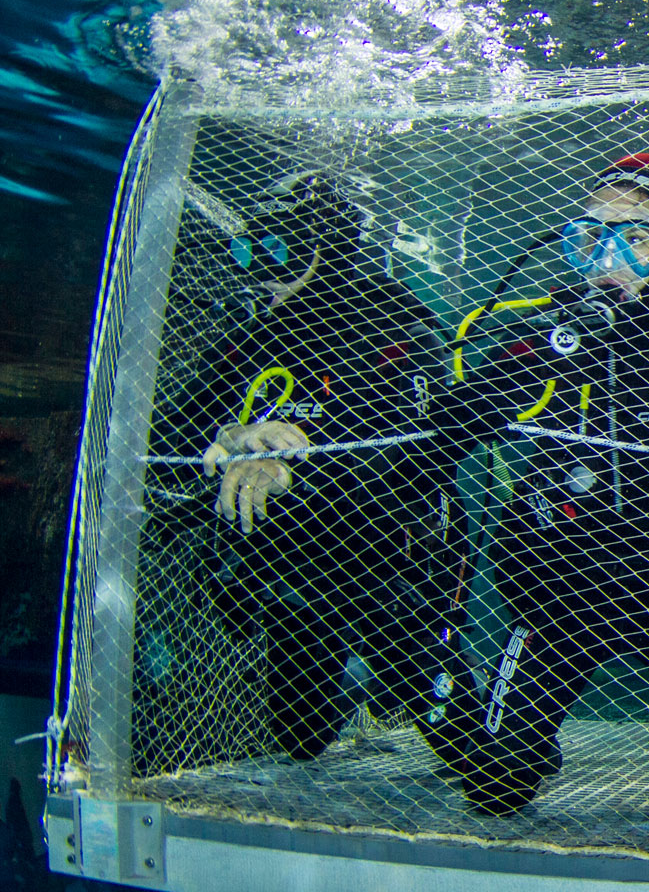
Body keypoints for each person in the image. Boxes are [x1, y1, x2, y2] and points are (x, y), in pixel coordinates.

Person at [429, 153, 649, 821]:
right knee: (494, 783)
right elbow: (450, 427)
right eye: (590, 236)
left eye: (635, 238)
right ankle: (518, 744)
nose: (606, 259)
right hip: (562, 583)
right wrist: (546, 352)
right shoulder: (544, 330)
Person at [149, 176, 472, 765]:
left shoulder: (396, 324)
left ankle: (395, 682)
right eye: (246, 251)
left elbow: (412, 455)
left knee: (478, 765)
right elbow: (166, 435)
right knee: (300, 740)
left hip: (390, 561)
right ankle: (352, 683)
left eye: (276, 250)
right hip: (297, 566)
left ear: (328, 247)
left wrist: (290, 469)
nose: (257, 271)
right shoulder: (254, 337)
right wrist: (229, 436)